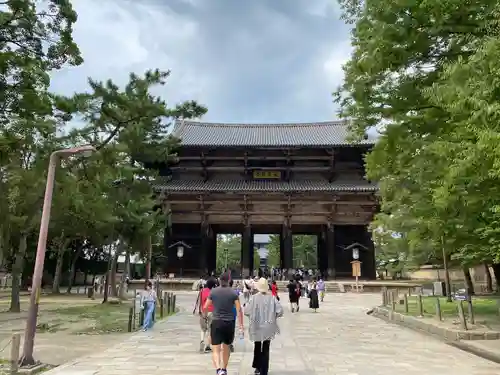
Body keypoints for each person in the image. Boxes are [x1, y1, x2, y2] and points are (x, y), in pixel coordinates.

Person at [203, 272, 244, 375]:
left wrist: (206, 316)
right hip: (229, 323)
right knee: (226, 347)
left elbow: (205, 307)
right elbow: (239, 310)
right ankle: (224, 369)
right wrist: (241, 326)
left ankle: (218, 369)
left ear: (219, 280)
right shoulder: (233, 293)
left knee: (215, 349)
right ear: (229, 280)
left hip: (216, 321)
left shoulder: (213, 292)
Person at [244, 277, 283, 375]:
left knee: (257, 346)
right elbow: (280, 311)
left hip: (256, 325)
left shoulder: (254, 298)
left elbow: (246, 311)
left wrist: (252, 316)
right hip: (268, 326)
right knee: (266, 347)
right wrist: (273, 316)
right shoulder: (272, 298)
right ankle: (264, 370)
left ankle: (257, 367)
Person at [198, 277, 217, 352]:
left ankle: (202, 341)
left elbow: (201, 301)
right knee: (210, 329)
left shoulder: (202, 291)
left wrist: (200, 310)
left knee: (203, 328)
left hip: (204, 310)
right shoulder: (214, 292)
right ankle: (208, 345)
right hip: (212, 311)